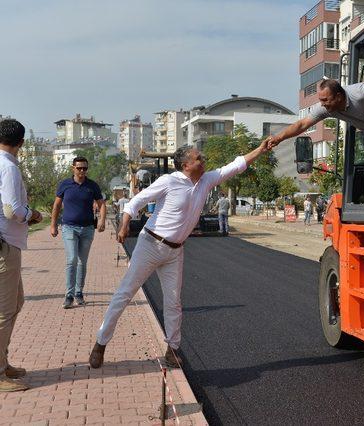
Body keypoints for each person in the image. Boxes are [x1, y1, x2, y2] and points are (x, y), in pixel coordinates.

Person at [89, 141, 270, 369]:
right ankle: (100, 343)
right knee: (124, 294)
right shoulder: (168, 181)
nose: (203, 161)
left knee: (174, 303)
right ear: (185, 165)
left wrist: (261, 149)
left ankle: (172, 350)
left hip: (175, 251)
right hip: (150, 245)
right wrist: (125, 224)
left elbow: (235, 166)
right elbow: (137, 201)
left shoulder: (206, 181)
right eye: (198, 159)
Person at [0, 119, 42, 392]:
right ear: (22, 143)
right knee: (4, 311)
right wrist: (33, 215)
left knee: (17, 302)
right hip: (5, 246)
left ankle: (3, 362)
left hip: (6, 244)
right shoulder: (9, 167)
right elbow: (13, 209)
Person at [50, 157, 106, 308]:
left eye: (84, 168)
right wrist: (53, 225)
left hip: (87, 229)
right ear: (72, 168)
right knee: (72, 259)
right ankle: (69, 295)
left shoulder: (92, 186)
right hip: (69, 227)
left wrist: (102, 220)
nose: (82, 171)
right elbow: (56, 206)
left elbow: (101, 205)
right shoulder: (65, 185)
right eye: (79, 168)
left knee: (82, 262)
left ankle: (79, 293)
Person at [265, 79, 364, 149]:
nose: (322, 104)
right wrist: (279, 138)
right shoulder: (325, 108)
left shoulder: (361, 92)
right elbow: (302, 124)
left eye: (325, 100)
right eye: (320, 100)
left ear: (338, 97)